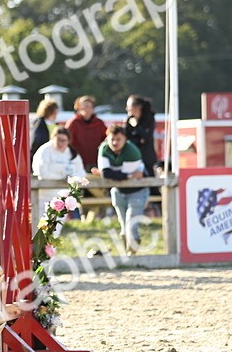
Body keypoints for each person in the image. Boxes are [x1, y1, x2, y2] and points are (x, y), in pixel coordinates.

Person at [93, 124, 148, 255]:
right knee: (123, 227)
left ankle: (132, 255)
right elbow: (107, 174)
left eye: (118, 139)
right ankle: (126, 255)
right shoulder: (104, 148)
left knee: (131, 225)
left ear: (125, 139)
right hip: (118, 191)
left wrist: (118, 175)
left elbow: (122, 177)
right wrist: (121, 175)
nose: (115, 142)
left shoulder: (132, 151)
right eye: (112, 139)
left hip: (137, 191)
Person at [32, 126, 85, 214]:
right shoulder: (45, 150)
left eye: (64, 141)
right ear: (53, 138)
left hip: (63, 197)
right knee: (44, 220)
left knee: (60, 221)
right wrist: (62, 177)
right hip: (45, 196)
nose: (61, 143)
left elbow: (81, 172)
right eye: (59, 140)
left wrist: (73, 179)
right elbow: (43, 173)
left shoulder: (72, 153)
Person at [124, 95, 157, 177]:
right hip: (133, 157)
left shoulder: (149, 119)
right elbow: (127, 139)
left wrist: (136, 126)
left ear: (138, 107)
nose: (127, 109)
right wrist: (140, 140)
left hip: (147, 158)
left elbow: (147, 137)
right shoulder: (128, 120)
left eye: (129, 106)